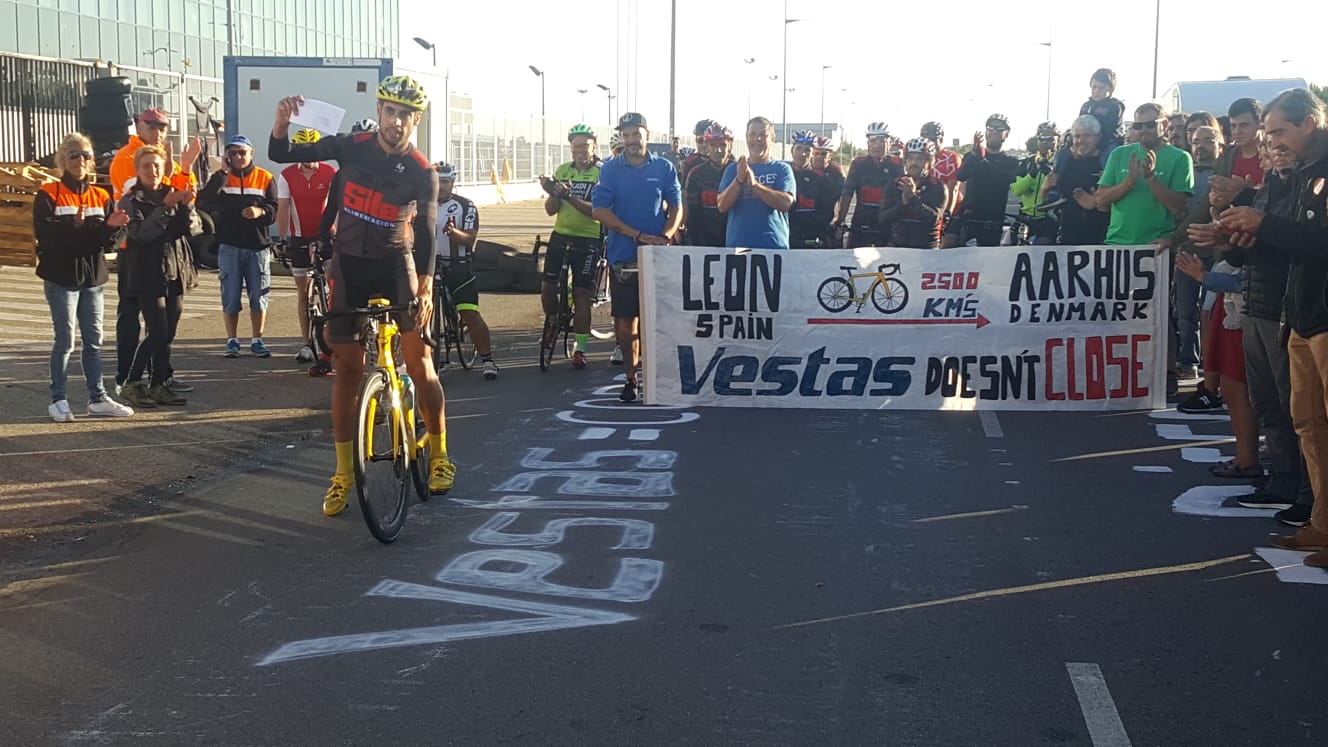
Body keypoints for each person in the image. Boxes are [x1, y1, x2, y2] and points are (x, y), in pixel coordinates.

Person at [269, 74, 455, 516]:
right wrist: (280, 123)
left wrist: (425, 287)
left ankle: (442, 454)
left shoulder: (420, 171)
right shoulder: (351, 145)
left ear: (416, 121)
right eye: (391, 111)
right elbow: (280, 153)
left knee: (419, 362)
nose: (397, 121)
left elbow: (427, 232)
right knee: (347, 370)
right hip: (349, 266)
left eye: (407, 115)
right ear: (379, 112)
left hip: (396, 266)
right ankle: (343, 474)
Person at [1216, 89, 1328, 564]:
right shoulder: (1301, 174)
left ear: (1309, 123)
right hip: (1301, 313)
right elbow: (1292, 242)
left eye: (1280, 131)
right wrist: (1243, 236)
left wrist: (1263, 223)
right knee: (1308, 422)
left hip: (1321, 315)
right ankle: (1321, 523)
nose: (1273, 142)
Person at [1200, 144, 1315, 523]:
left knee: (1296, 407)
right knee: (1267, 403)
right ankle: (1282, 481)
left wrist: (1253, 219)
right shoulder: (1267, 189)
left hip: (1284, 309)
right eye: (1269, 147)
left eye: (1283, 143)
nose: (1274, 155)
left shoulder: (1303, 190)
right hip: (1254, 303)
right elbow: (1245, 254)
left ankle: (1309, 492)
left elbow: (1299, 244)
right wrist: (1225, 239)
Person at [35, 132, 134, 422]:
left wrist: (114, 227)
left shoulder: (101, 195)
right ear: (63, 159)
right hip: (60, 277)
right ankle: (58, 399)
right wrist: (76, 227)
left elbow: (107, 244)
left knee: (94, 341)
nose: (81, 160)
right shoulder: (48, 193)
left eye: (86, 155)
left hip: (92, 279)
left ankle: (98, 398)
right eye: (74, 155)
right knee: (65, 341)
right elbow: (46, 238)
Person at [590, 112, 682, 403]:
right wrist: (637, 235)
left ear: (647, 135)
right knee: (626, 324)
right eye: (625, 135)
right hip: (623, 256)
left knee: (655, 322)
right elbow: (600, 211)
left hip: (657, 256)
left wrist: (666, 235)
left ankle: (656, 377)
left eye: (635, 134)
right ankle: (631, 379)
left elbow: (676, 208)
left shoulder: (665, 167)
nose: (630, 140)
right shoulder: (610, 170)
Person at [108, 108, 200, 397]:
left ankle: (160, 378)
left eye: (163, 126)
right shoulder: (126, 157)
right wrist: (168, 206)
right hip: (138, 258)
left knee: (165, 328)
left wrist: (184, 178)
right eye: (152, 125)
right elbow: (140, 220)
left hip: (172, 261)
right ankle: (129, 379)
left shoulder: (164, 161)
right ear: (139, 125)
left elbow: (190, 215)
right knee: (135, 321)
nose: (158, 131)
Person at [199, 135, 278, 358]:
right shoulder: (221, 178)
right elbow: (203, 201)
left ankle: (257, 340)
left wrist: (260, 212)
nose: (237, 157)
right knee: (230, 295)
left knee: (259, 295)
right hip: (229, 246)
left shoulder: (264, 177)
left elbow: (274, 209)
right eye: (232, 153)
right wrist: (222, 175)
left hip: (257, 246)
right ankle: (232, 340)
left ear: (251, 154)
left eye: (242, 152)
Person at [540, 123, 603, 369]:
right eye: (576, 146)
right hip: (560, 233)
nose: (580, 150)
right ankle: (553, 320)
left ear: (593, 146)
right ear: (570, 147)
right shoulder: (563, 169)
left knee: (581, 294)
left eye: (585, 146)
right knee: (546, 288)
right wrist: (552, 192)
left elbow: (597, 212)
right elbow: (550, 210)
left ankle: (581, 348)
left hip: (587, 238)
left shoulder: (601, 172)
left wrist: (568, 196)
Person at [275, 128, 338, 365]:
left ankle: (332, 340)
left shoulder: (331, 173)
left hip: (326, 237)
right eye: (302, 151)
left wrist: (339, 235)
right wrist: (281, 239)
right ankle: (306, 343)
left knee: (333, 290)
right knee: (303, 294)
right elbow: (282, 208)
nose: (307, 155)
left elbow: (338, 208)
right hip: (299, 239)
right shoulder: (287, 174)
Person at [1095, 103, 1193, 247]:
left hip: (1157, 245)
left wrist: (1151, 178)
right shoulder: (1119, 153)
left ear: (1164, 124)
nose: (1144, 130)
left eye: (1150, 125)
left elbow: (1177, 207)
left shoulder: (1181, 157)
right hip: (1117, 243)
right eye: (1138, 126)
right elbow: (1101, 201)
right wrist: (1127, 183)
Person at [434, 161, 497, 380]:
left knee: (469, 313)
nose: (440, 186)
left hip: (458, 266)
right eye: (436, 181)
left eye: (444, 182)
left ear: (452, 183)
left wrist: (454, 233)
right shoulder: (420, 204)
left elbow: (470, 239)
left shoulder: (465, 205)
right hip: (429, 266)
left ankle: (488, 360)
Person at [717, 117, 795, 250]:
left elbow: (786, 203)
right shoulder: (732, 169)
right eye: (752, 135)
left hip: (774, 248)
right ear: (746, 138)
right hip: (739, 248)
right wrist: (739, 180)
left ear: (772, 139)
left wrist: (755, 186)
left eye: (762, 135)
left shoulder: (782, 169)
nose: (757, 139)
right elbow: (722, 206)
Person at [948, 114, 1019, 247]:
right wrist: (975, 155)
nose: (993, 131)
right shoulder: (972, 155)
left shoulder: (1011, 162)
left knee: (987, 259)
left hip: (991, 219)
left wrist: (982, 161)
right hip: (967, 214)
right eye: (990, 127)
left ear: (1006, 134)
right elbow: (961, 175)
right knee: (949, 243)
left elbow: (1001, 180)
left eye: (998, 128)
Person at [836, 122, 899, 247]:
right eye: (872, 140)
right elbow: (847, 194)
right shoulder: (858, 164)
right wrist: (840, 221)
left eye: (881, 140)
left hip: (887, 225)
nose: (876, 145)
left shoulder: (897, 164)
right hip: (861, 223)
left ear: (889, 143)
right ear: (868, 143)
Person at [1050, 115, 1109, 246]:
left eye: (1087, 136)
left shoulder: (1108, 163)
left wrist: (1098, 203)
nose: (1081, 140)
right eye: (1077, 136)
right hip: (1068, 236)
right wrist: (1046, 188)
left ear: (1098, 137)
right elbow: (1050, 200)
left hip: (1100, 239)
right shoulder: (1066, 161)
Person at [877, 138, 947, 249]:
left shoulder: (938, 186)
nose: (914, 163)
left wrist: (913, 198)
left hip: (927, 250)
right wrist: (902, 203)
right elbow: (883, 219)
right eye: (910, 158)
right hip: (897, 247)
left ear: (929, 162)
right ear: (905, 161)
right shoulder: (894, 184)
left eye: (919, 159)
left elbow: (934, 219)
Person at [684, 123, 735, 248]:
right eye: (713, 145)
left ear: (730, 146)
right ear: (707, 146)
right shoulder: (695, 174)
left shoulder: (739, 171)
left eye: (722, 145)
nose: (718, 150)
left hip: (733, 240)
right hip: (703, 241)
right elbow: (692, 213)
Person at [1010, 122, 1060, 244]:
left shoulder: (1061, 163)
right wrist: (1032, 174)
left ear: (1058, 140)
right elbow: (1016, 191)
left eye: (1051, 138)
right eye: (1042, 138)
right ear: (1037, 140)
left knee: (1040, 248)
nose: (1046, 142)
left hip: (1049, 219)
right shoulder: (1025, 163)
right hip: (1025, 217)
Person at [787, 129, 836, 248]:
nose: (803, 154)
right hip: (786, 236)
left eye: (807, 150)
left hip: (812, 239)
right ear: (792, 151)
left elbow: (828, 212)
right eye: (799, 149)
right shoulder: (782, 173)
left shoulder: (822, 178)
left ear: (812, 153)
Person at [922, 121, 962, 216]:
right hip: (928, 210)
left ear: (941, 139)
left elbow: (953, 189)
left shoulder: (951, 158)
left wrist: (947, 214)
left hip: (949, 211)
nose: (929, 143)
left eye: (933, 140)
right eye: (926, 140)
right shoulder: (921, 158)